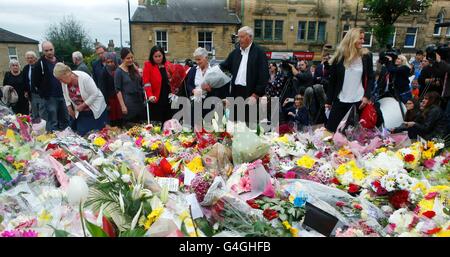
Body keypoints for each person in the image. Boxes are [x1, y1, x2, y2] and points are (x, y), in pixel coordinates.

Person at [325, 28, 374, 133]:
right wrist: (328, 101)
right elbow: (332, 81)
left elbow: (371, 77)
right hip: (340, 99)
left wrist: (366, 96)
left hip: (358, 101)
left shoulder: (366, 56)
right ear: (352, 39)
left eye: (363, 38)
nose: (363, 41)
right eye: (360, 38)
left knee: (351, 135)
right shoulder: (339, 57)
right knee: (331, 131)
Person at [220, 26, 269, 124]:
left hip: (250, 92)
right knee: (234, 122)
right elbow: (223, 66)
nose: (239, 40)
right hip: (235, 92)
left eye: (241, 37)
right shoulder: (236, 52)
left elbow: (263, 75)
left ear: (250, 37)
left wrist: (256, 94)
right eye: (238, 37)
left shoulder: (259, 53)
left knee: (249, 123)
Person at [53, 63, 107, 136]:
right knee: (82, 133)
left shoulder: (84, 78)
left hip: (94, 109)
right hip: (81, 112)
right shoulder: (64, 82)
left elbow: (95, 94)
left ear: (67, 73)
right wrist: (69, 107)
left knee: (96, 134)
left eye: (60, 79)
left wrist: (83, 105)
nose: (60, 82)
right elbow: (65, 94)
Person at [33, 41, 69, 132]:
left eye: (51, 49)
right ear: (43, 51)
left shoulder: (60, 60)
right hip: (50, 97)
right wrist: (44, 93)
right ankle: (55, 141)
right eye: (46, 50)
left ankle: (67, 137)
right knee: (53, 121)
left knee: (65, 118)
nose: (49, 52)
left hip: (63, 94)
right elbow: (35, 82)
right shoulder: (39, 64)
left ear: (54, 49)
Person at [142, 45, 173, 124]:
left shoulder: (167, 64)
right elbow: (146, 83)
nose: (158, 58)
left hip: (167, 97)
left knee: (168, 122)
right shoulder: (148, 65)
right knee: (157, 123)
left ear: (163, 55)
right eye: (155, 56)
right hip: (155, 98)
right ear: (152, 56)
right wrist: (150, 95)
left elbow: (173, 79)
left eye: (160, 56)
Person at [115, 48, 145, 125]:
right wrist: (123, 106)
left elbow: (140, 78)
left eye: (132, 57)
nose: (131, 60)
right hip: (128, 103)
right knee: (130, 126)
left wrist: (134, 66)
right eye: (128, 58)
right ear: (122, 59)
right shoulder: (118, 72)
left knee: (141, 125)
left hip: (139, 100)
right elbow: (118, 90)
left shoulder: (133, 68)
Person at [23, 51, 46, 120]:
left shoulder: (40, 66)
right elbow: (25, 80)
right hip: (32, 93)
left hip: (41, 93)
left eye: (31, 58)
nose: (30, 59)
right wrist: (26, 91)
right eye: (28, 58)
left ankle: (45, 127)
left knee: (42, 112)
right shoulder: (26, 68)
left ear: (35, 58)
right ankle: (36, 127)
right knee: (34, 112)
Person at [102, 52, 123, 126]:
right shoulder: (104, 71)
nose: (110, 64)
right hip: (111, 99)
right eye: (108, 62)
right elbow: (103, 88)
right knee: (113, 119)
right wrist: (107, 103)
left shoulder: (120, 70)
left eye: (111, 61)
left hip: (120, 97)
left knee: (122, 118)